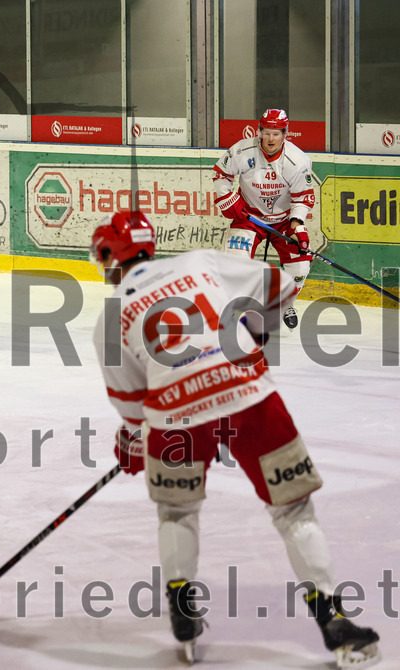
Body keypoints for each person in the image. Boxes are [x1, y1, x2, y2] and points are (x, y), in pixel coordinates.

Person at [90, 211, 380, 668]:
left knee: (177, 511)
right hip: (249, 396)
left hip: (175, 419)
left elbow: (131, 407)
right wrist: (254, 338)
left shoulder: (109, 319)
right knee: (293, 509)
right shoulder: (200, 262)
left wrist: (132, 447)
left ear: (110, 256)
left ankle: (182, 611)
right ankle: (333, 619)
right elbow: (280, 286)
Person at [213, 108, 315, 330]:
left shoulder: (298, 160)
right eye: (266, 132)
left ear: (285, 133)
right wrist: (227, 198)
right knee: (235, 262)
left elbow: (302, 197)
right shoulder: (242, 150)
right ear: (259, 131)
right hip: (249, 217)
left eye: (276, 133)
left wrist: (297, 226)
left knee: (300, 267)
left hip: (284, 220)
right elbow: (221, 174)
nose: (271, 139)